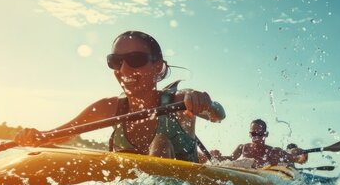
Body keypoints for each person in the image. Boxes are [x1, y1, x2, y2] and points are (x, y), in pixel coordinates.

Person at [14, 30, 225, 162]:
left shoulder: (179, 102)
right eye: (116, 61)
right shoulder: (108, 108)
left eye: (135, 59)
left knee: (160, 144)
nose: (123, 70)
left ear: (157, 66)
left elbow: (218, 115)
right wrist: (36, 136)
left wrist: (204, 102)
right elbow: (60, 134)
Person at [210, 119, 306, 168]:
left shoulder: (274, 151)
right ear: (250, 134)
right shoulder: (243, 147)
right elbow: (230, 159)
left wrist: (303, 153)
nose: (256, 137)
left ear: (266, 134)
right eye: (253, 134)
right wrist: (216, 156)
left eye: (259, 134)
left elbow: (300, 160)